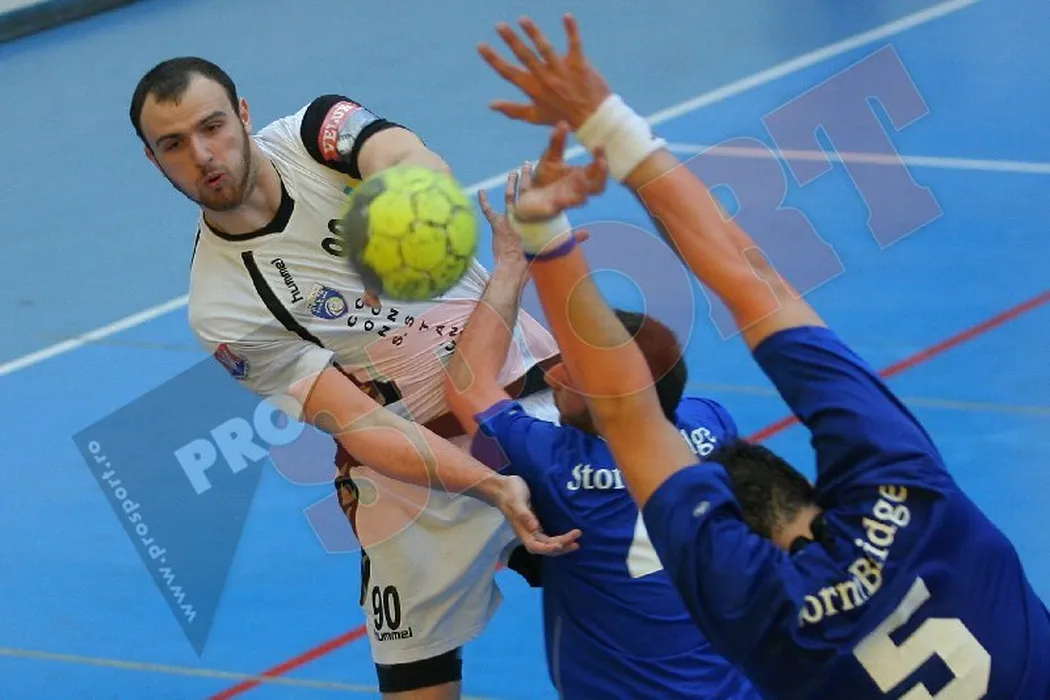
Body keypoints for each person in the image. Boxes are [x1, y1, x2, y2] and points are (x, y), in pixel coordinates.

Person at [476, 14, 1050, 700]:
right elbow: (756, 285)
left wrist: (543, 234)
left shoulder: (757, 610)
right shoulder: (906, 491)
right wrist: (607, 124)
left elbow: (626, 415)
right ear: (811, 491)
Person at [128, 56, 581, 699]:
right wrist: (491, 485)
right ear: (153, 160)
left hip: (532, 408)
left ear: (244, 115)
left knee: (656, 618)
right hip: (415, 476)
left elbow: (415, 163)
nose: (203, 155)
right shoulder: (221, 306)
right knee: (417, 686)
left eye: (213, 126)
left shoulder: (317, 132)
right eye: (173, 144)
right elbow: (359, 425)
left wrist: (390, 229)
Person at [441, 139, 760, 699]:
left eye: (572, 375)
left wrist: (513, 266)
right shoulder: (711, 422)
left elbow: (467, 384)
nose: (553, 374)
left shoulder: (557, 462)